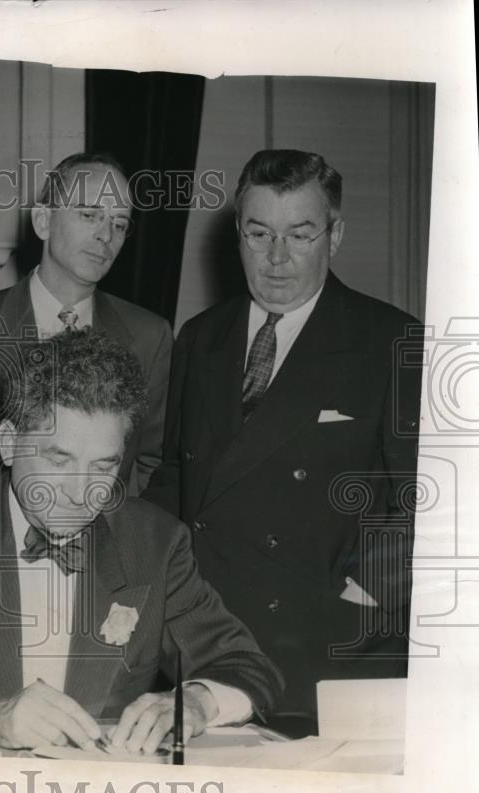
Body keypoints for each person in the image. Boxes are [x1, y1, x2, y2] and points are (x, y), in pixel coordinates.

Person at [0, 328, 282, 752]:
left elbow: (249, 668)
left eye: (104, 466)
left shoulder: (155, 543)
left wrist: (196, 702)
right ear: (9, 443)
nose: (82, 494)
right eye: (59, 460)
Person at [144, 149, 422, 731]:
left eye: (300, 234)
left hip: (328, 642)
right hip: (208, 640)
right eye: (258, 233)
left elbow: (436, 497)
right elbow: (173, 478)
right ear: (237, 235)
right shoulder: (200, 337)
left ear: (335, 234)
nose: (276, 259)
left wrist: (363, 595)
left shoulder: (394, 340)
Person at [0, 152, 171, 493]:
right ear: (43, 221)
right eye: (89, 215)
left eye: (119, 224)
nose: (106, 235)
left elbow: (149, 464)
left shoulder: (150, 337)